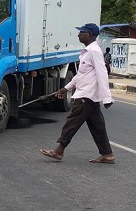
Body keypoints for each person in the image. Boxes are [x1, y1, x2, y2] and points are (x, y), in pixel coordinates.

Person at [40, 23, 115, 164]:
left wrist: (107, 98)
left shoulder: (94, 52)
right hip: (87, 95)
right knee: (97, 126)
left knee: (71, 123)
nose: (78, 35)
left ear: (90, 35)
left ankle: (58, 151)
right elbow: (81, 75)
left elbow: (102, 74)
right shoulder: (87, 52)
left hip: (86, 96)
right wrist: (66, 88)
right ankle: (107, 154)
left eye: (82, 32)